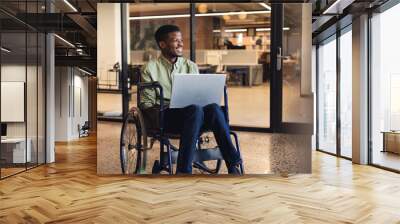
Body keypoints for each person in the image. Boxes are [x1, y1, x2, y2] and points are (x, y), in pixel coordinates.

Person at [140, 24, 242, 174]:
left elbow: (199, 94)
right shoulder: (149, 68)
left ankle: (233, 164)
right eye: (176, 40)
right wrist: (168, 103)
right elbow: (146, 103)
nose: (181, 43)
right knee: (194, 109)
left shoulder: (190, 66)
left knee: (213, 107)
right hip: (167, 117)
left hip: (195, 115)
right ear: (162, 44)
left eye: (181, 40)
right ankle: (184, 170)